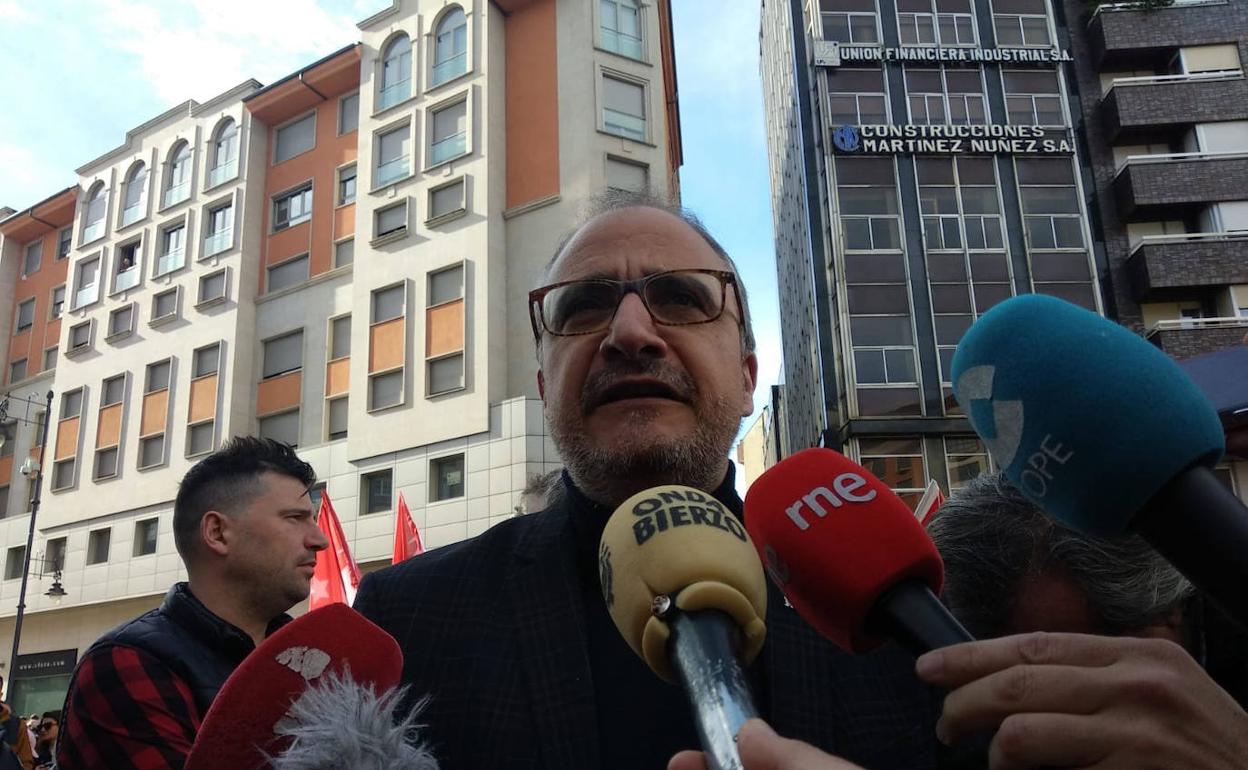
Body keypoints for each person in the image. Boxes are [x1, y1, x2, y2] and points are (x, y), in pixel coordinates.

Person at [353, 191, 939, 770]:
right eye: (583, 307)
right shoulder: (404, 623)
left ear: (746, 377)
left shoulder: (911, 622)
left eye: (681, 297)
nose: (630, 333)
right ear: (543, 385)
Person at [56, 437, 328, 770]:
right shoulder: (129, 663)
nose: (319, 539)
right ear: (217, 532)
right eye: (294, 518)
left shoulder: (316, 660)